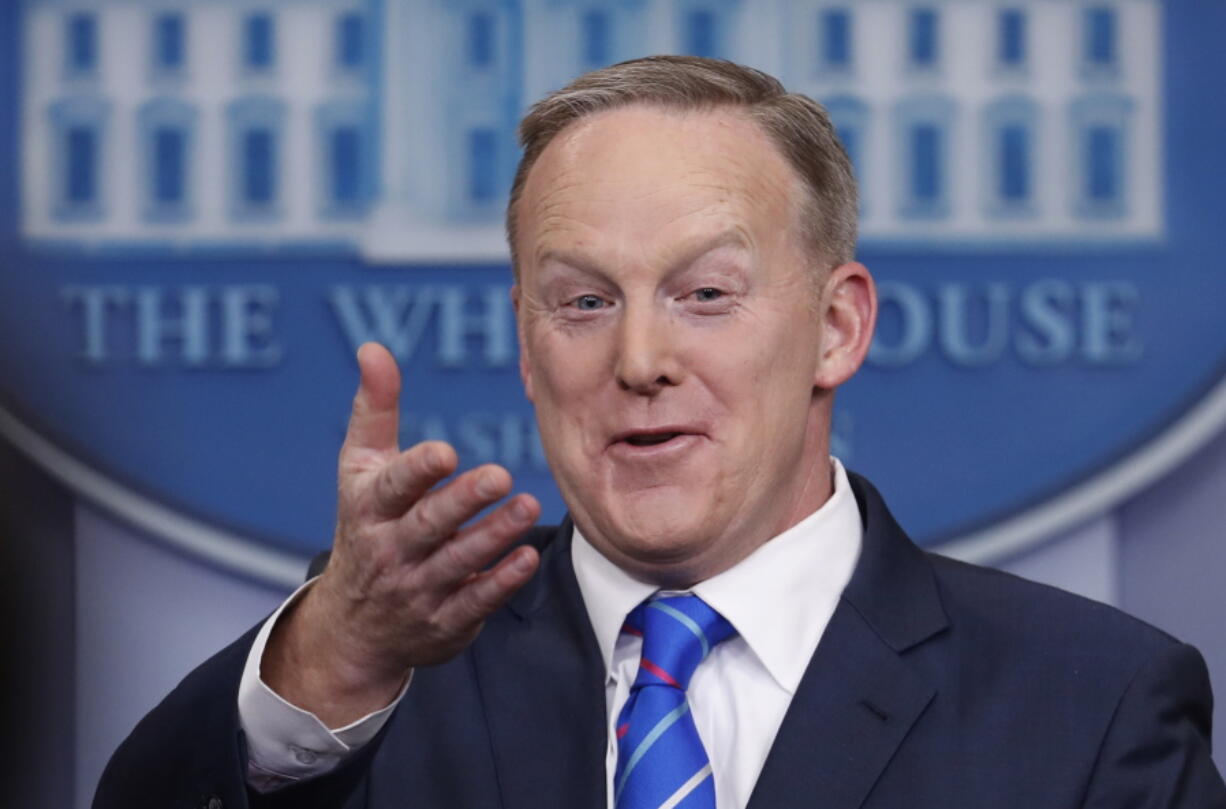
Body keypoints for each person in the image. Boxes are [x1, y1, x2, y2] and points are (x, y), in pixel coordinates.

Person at [95, 55, 1225, 809]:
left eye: (704, 293)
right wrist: (335, 647)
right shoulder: (379, 671)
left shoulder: (1088, 703)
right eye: (583, 301)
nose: (637, 360)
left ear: (835, 327)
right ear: (527, 345)